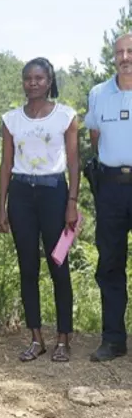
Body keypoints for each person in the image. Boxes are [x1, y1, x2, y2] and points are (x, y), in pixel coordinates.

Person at [0, 57, 79, 362]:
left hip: (54, 194)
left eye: (39, 78)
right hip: (20, 195)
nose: (33, 83)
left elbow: (73, 162)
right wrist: (2, 206)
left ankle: (63, 338)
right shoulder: (11, 119)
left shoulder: (66, 116)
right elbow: (5, 165)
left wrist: (71, 202)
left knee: (59, 266)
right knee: (28, 268)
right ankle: (35, 337)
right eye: (28, 78)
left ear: (49, 81)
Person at [85, 32, 132, 362]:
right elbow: (94, 136)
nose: (125, 56)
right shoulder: (99, 94)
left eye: (130, 51)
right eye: (120, 52)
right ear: (113, 56)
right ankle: (113, 339)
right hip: (112, 188)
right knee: (111, 263)